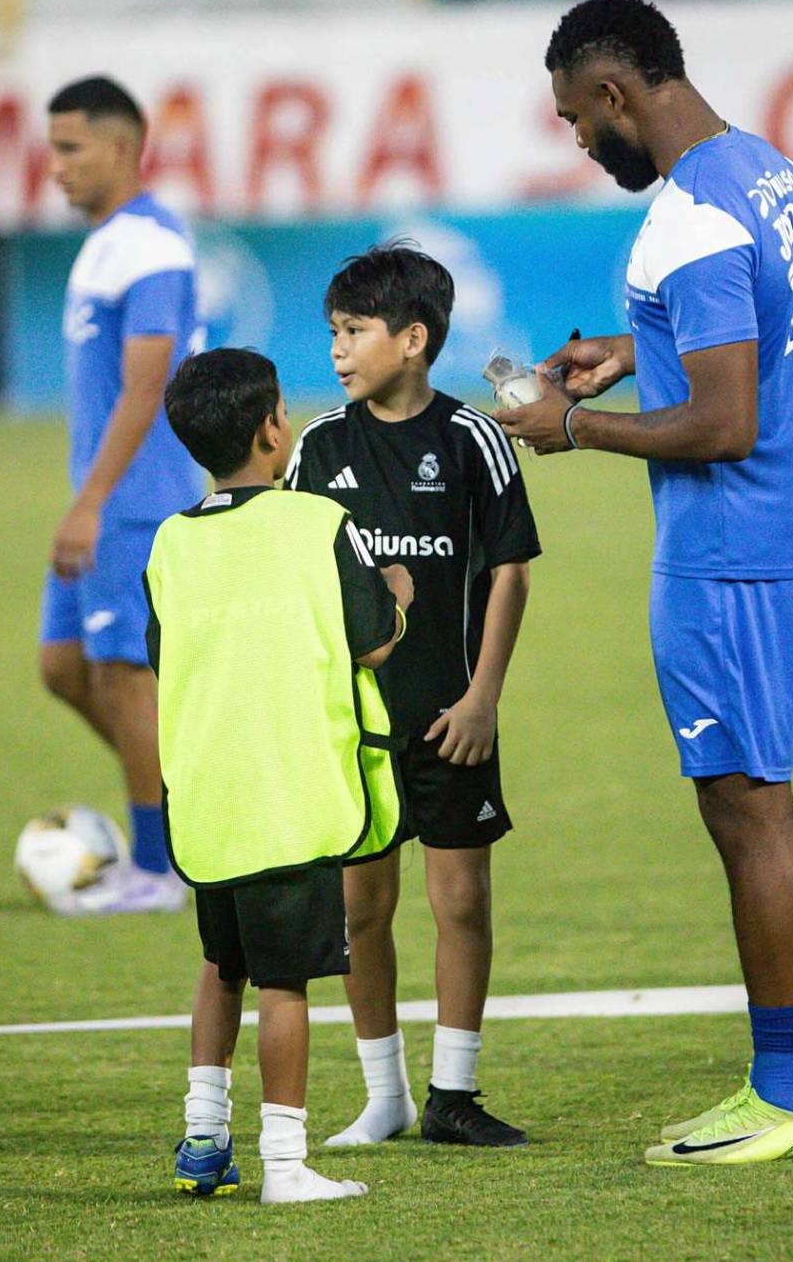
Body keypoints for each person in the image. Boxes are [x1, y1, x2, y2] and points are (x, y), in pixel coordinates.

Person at [496, 0, 793, 1166]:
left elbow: (724, 418)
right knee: (753, 797)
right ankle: (780, 1084)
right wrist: (629, 348)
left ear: (615, 96)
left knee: (750, 805)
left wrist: (572, 428)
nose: (578, 143)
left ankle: (784, 1096)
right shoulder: (763, 170)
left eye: (573, 120)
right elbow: (739, 339)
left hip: (735, 546)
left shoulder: (686, 218)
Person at [287, 244, 541, 1148]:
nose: (338, 351)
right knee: (361, 907)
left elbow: (510, 571)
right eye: (333, 333)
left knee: (462, 897)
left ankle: (453, 1094)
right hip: (358, 726)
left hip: (453, 717)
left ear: (415, 339)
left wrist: (484, 697)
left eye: (354, 332)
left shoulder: (471, 439)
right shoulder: (319, 445)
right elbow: (290, 571)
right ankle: (384, 1093)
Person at [149, 347, 413, 1203]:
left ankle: (202, 1137)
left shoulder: (170, 541)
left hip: (205, 798)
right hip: (289, 795)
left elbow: (167, 658)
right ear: (272, 429)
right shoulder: (317, 522)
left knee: (221, 966)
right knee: (284, 982)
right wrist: (399, 593)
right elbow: (373, 639)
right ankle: (286, 1164)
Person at [37, 75, 200, 914]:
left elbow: (147, 387)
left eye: (70, 148)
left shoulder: (151, 246)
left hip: (134, 501)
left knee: (125, 678)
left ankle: (159, 866)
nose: (55, 165)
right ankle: (180, 811)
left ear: (124, 146)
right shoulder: (106, 241)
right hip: (100, 498)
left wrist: (91, 500)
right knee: (64, 669)